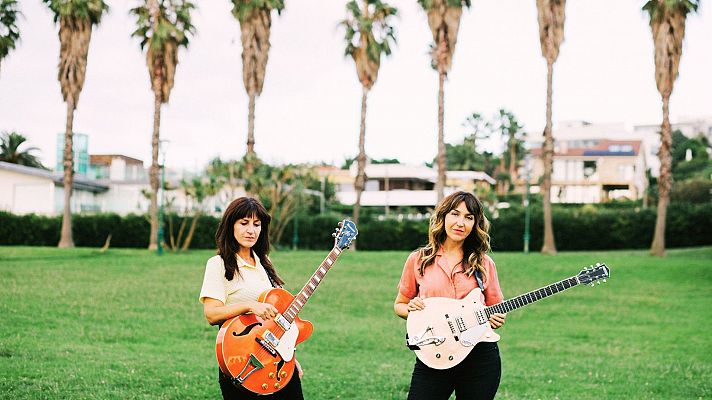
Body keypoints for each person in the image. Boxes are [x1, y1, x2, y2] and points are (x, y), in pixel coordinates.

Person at [394, 191, 507, 400]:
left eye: (468, 217)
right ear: (443, 216)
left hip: (479, 358)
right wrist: (410, 309)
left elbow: (496, 309)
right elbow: (400, 304)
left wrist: (496, 318)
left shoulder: (484, 264)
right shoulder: (418, 260)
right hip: (434, 355)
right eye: (455, 214)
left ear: (475, 224)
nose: (460, 223)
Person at [199, 197, 304, 400]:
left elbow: (277, 321)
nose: (251, 230)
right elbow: (211, 314)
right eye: (244, 223)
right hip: (240, 361)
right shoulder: (218, 264)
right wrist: (250, 306)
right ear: (231, 225)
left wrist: (288, 356)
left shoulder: (265, 263)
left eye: (257, 225)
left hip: (276, 362)